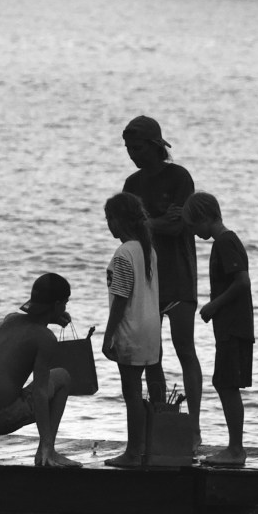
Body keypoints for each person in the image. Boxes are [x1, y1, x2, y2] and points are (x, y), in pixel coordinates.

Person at [121, 115, 203, 450]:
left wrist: (145, 223)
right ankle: (158, 422)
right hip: (147, 281)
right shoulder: (132, 183)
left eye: (137, 148)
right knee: (151, 356)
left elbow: (178, 226)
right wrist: (156, 222)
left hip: (180, 279)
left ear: (155, 146)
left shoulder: (179, 177)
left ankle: (194, 427)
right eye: (128, 148)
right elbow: (125, 231)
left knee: (185, 350)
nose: (132, 154)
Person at [0, 273, 81, 467]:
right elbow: (40, 392)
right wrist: (45, 440)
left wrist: (50, 318)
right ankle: (47, 451)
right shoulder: (45, 338)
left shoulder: (10, 321)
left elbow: (13, 329)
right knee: (62, 377)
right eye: (65, 303)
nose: (65, 308)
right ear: (58, 305)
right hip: (0, 418)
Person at [184, 192, 254, 468]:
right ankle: (234, 447)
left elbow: (242, 281)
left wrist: (214, 305)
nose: (193, 232)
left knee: (226, 384)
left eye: (193, 226)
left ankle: (236, 449)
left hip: (233, 326)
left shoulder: (225, 241)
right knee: (224, 382)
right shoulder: (224, 242)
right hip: (229, 326)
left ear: (204, 217)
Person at [102, 192, 163, 468]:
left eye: (109, 219)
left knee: (132, 394)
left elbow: (121, 298)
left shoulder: (124, 252)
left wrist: (108, 336)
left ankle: (132, 452)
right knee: (149, 388)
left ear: (119, 220)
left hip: (131, 329)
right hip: (151, 328)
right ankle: (153, 446)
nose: (108, 225)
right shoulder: (147, 249)